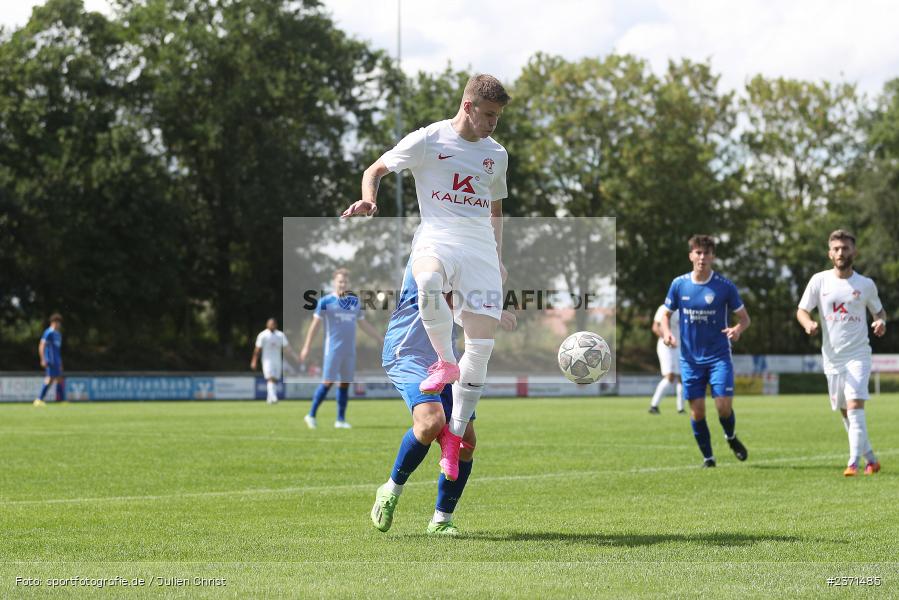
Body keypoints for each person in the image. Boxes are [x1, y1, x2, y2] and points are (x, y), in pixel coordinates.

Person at [342, 74, 510, 480]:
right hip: (438, 237)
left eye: (498, 117)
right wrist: (369, 198)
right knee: (428, 282)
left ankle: (454, 437)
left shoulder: (496, 154)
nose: (492, 124)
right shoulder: (429, 140)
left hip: (479, 250)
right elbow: (376, 168)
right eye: (487, 115)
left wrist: (499, 260)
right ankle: (446, 365)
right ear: (467, 106)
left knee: (482, 348)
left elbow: (496, 210)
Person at [370, 261, 516, 536]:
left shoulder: (465, 251)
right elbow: (444, 299)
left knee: (466, 443)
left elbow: (466, 300)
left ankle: (441, 519)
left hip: (443, 357)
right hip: (408, 351)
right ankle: (391, 489)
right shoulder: (427, 254)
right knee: (431, 422)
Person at [796, 229, 886, 476]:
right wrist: (808, 324)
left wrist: (881, 323)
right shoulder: (819, 281)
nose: (840, 252)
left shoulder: (865, 284)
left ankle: (852, 463)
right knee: (846, 411)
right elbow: (802, 310)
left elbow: (879, 312)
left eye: (845, 248)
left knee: (856, 405)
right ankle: (871, 460)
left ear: (853, 252)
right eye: (836, 248)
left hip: (858, 355)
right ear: (829, 253)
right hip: (832, 358)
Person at [660, 235, 751, 467]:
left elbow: (744, 319)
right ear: (691, 255)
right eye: (698, 253)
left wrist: (737, 329)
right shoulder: (679, 284)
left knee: (723, 407)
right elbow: (665, 315)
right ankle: (708, 458)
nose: (702, 257)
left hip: (719, 357)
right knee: (697, 412)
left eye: (707, 253)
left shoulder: (724, 287)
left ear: (713, 257)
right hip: (690, 360)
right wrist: (666, 333)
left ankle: (730, 437)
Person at [300, 268, 383, 429]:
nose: (342, 284)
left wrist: (379, 338)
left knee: (344, 384)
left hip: (349, 351)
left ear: (348, 283)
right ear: (334, 282)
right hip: (333, 350)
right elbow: (314, 326)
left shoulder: (354, 302)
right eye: (340, 281)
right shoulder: (325, 302)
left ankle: (340, 420)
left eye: (345, 281)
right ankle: (311, 415)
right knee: (328, 382)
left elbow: (363, 324)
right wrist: (306, 347)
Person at [648, 304, 684, 415]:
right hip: (666, 346)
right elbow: (655, 327)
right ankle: (654, 406)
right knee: (670, 377)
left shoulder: (683, 309)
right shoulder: (663, 308)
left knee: (682, 377)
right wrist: (667, 338)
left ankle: (681, 409)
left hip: (679, 346)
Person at [250, 318, 294, 405]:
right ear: (267, 325)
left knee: (275, 379)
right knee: (270, 377)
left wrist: (294, 356)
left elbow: (287, 348)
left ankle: (269, 399)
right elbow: (257, 349)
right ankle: (274, 397)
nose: (272, 325)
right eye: (270, 324)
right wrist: (254, 361)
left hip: (277, 360)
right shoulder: (263, 335)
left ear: (276, 325)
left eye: (273, 324)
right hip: (267, 360)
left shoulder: (280, 335)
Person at [34, 313, 65, 407]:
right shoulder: (48, 332)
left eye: (60, 323)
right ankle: (38, 399)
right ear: (53, 322)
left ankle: (61, 400)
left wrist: (60, 362)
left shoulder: (58, 334)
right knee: (49, 379)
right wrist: (42, 358)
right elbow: (41, 345)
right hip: (50, 360)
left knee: (59, 379)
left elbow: (57, 350)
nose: (59, 324)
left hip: (57, 361)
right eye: (57, 322)